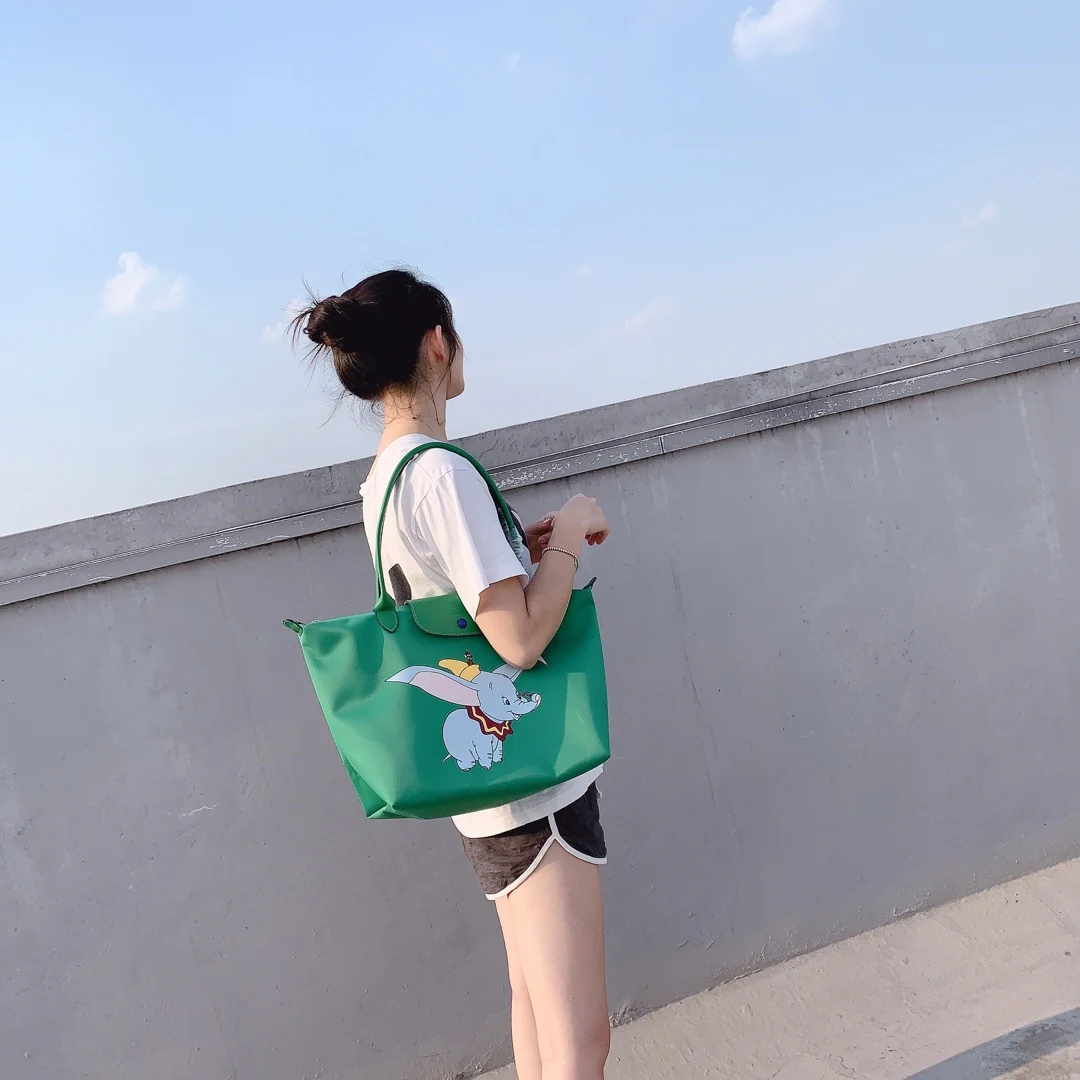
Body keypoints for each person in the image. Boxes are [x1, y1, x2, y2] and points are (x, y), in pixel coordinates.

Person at [293, 268, 612, 1080]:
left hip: (486, 795)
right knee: (581, 1040)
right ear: (438, 342)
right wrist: (571, 533)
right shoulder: (441, 472)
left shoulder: (387, 477)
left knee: (536, 1013)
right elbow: (520, 641)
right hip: (535, 788)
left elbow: (455, 606)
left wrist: (518, 555)